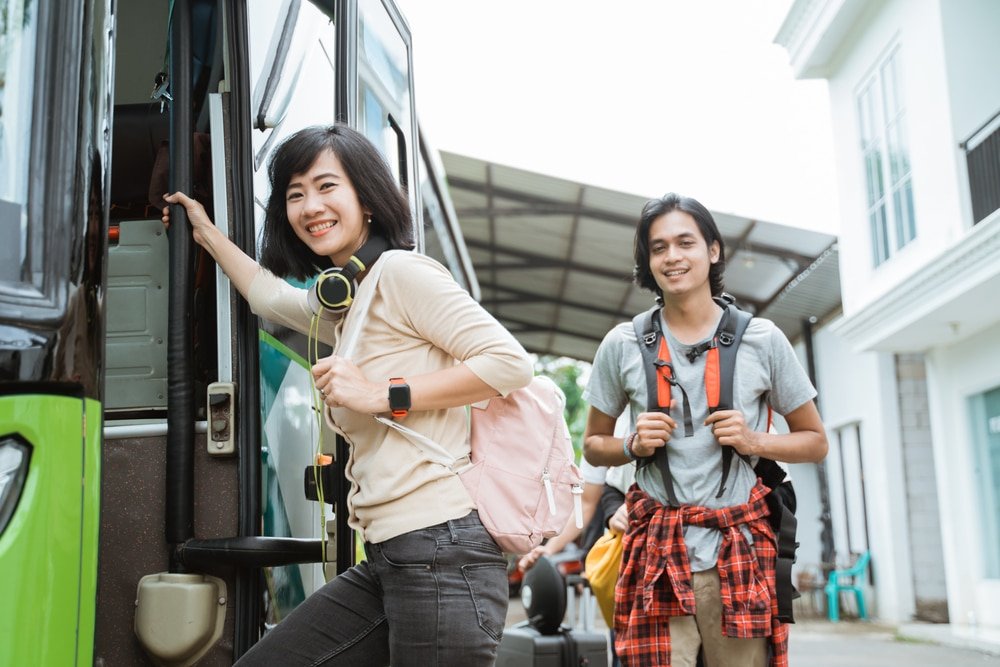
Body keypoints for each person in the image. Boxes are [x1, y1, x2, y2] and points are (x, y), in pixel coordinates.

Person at [163, 124, 533, 666]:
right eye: (295, 194)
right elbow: (269, 296)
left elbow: (509, 363)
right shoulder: (345, 300)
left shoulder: (402, 275)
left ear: (367, 194)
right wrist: (205, 233)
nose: (311, 206)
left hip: (442, 549)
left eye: (326, 186)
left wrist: (381, 394)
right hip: (392, 556)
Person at [582, 193, 828, 667]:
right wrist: (631, 444)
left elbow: (816, 441)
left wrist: (754, 440)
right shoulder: (622, 344)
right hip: (656, 553)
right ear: (647, 261)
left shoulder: (762, 338)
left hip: (736, 552)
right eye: (658, 248)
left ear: (713, 250)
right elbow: (593, 447)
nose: (672, 257)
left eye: (684, 242)